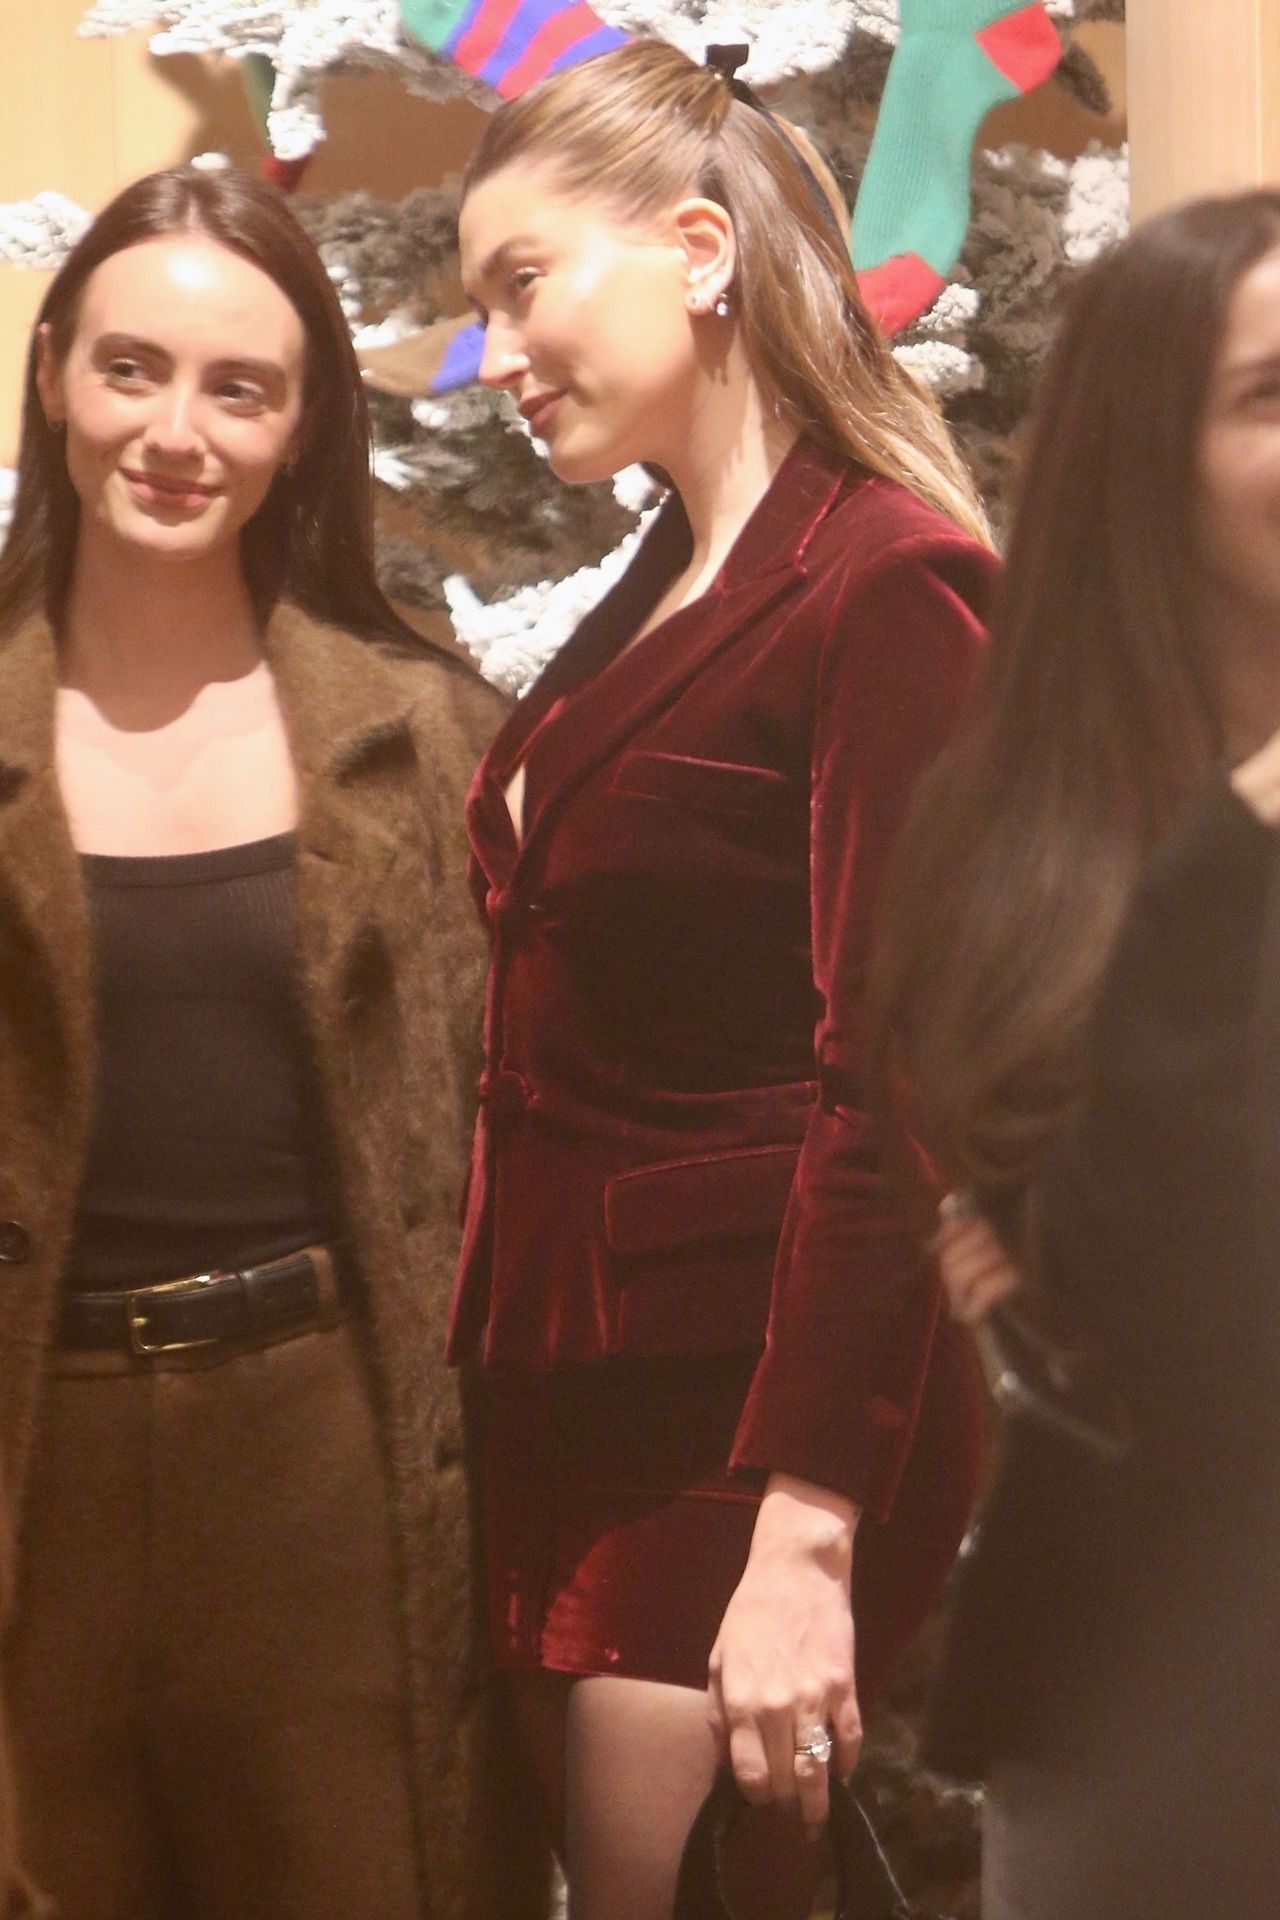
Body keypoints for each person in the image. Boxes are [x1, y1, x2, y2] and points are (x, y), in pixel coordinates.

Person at [439, 36, 996, 1920]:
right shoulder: (670, 577)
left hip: (751, 1432)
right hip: (564, 1404)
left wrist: (808, 1536)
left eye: (524, 283)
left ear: (697, 250)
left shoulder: (886, 580)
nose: (496, 352)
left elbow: (891, 1088)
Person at [0, 162, 545, 1920]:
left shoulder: (429, 742)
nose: (177, 432)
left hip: (325, 1466)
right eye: (132, 368)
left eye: (240, 388)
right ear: (54, 376)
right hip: (33, 1464)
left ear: (302, 429)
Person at [872, 189, 1280, 1920]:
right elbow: (1128, 1286)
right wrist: (1243, 842)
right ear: (1144, 456)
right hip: (1164, 1698)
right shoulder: (1022, 837)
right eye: (1272, 395)